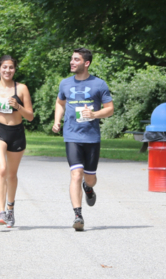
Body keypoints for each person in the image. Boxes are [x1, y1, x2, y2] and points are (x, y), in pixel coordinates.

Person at [52, 48, 114, 231]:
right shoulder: (65, 84)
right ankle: (78, 215)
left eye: (76, 59)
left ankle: (89, 187)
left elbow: (109, 109)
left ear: (86, 63)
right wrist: (57, 121)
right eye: (71, 59)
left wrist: (94, 114)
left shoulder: (99, 84)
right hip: (72, 135)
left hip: (92, 137)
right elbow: (60, 103)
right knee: (75, 174)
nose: (72, 62)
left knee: (90, 177)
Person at [0, 55, 34, 228]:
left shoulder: (22, 89)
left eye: (11, 67)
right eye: (4, 67)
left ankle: (10, 208)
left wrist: (18, 106)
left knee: (11, 174)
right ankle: (1, 212)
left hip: (16, 133)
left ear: (14, 69)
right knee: (1, 168)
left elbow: (30, 117)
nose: (7, 70)